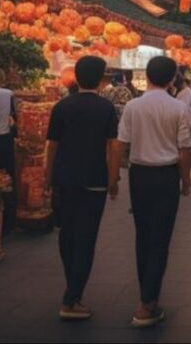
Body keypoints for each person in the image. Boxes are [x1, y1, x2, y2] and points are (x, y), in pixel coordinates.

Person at [116, 55, 191, 329]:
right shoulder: (178, 108)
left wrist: (114, 178)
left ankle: (147, 294)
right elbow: (184, 149)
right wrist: (186, 181)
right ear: (173, 79)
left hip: (139, 176)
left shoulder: (133, 106)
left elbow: (120, 144)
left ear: (146, 76)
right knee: (160, 238)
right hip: (166, 176)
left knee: (143, 235)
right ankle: (147, 302)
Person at [44, 55, 119, 321]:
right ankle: (71, 297)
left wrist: (47, 177)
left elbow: (52, 146)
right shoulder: (106, 109)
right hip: (94, 179)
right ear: (101, 79)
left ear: (75, 76)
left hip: (64, 178)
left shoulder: (61, 107)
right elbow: (112, 146)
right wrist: (113, 180)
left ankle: (71, 287)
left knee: (67, 235)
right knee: (86, 238)